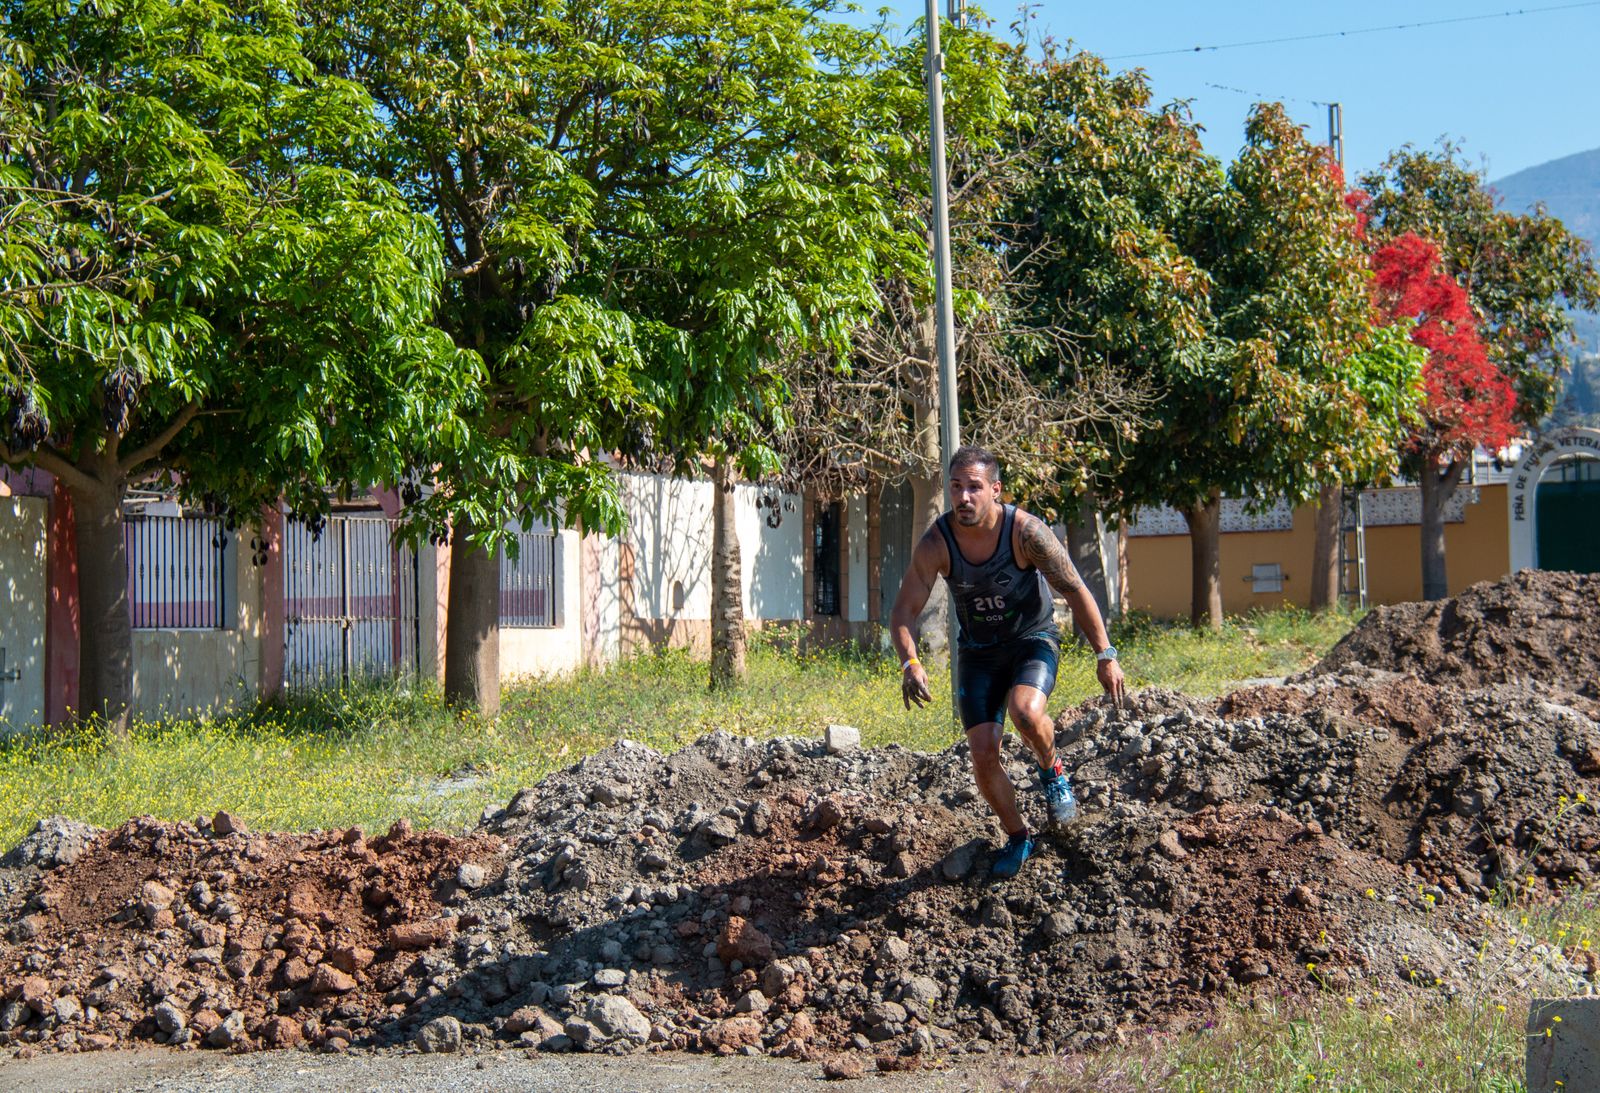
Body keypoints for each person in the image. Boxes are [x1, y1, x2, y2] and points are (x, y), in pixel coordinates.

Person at [890, 445, 1125, 878]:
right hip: (978, 654)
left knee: (1026, 712)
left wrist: (1104, 653)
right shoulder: (937, 543)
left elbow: (1074, 588)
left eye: (974, 487)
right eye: (955, 487)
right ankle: (1019, 836)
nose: (963, 497)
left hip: (1031, 639)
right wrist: (911, 663)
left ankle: (1051, 771)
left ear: (995, 490)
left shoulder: (1026, 533)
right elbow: (903, 611)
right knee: (982, 753)